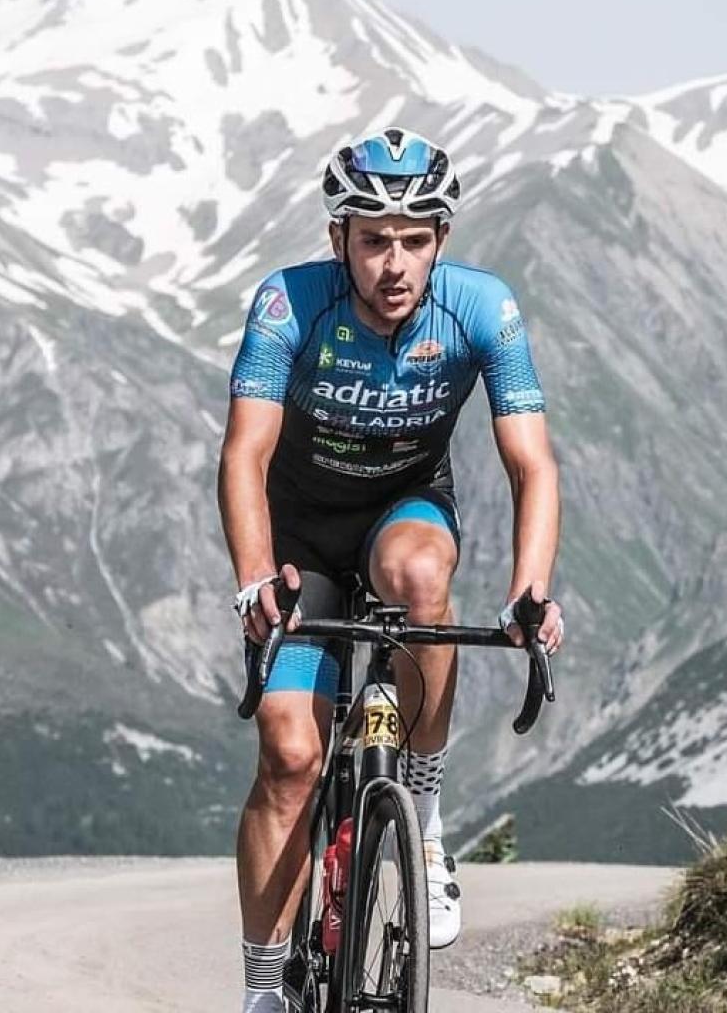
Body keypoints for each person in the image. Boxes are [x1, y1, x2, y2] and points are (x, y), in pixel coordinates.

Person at [218, 127, 563, 1013]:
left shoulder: (482, 308)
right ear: (339, 237)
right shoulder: (290, 304)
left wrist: (530, 593)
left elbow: (532, 464)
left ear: (442, 238)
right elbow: (245, 453)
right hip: (300, 539)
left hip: (403, 512)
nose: (395, 263)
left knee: (420, 579)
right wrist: (255, 580)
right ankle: (262, 992)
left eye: (415, 239)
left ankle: (426, 817)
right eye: (374, 240)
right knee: (291, 755)